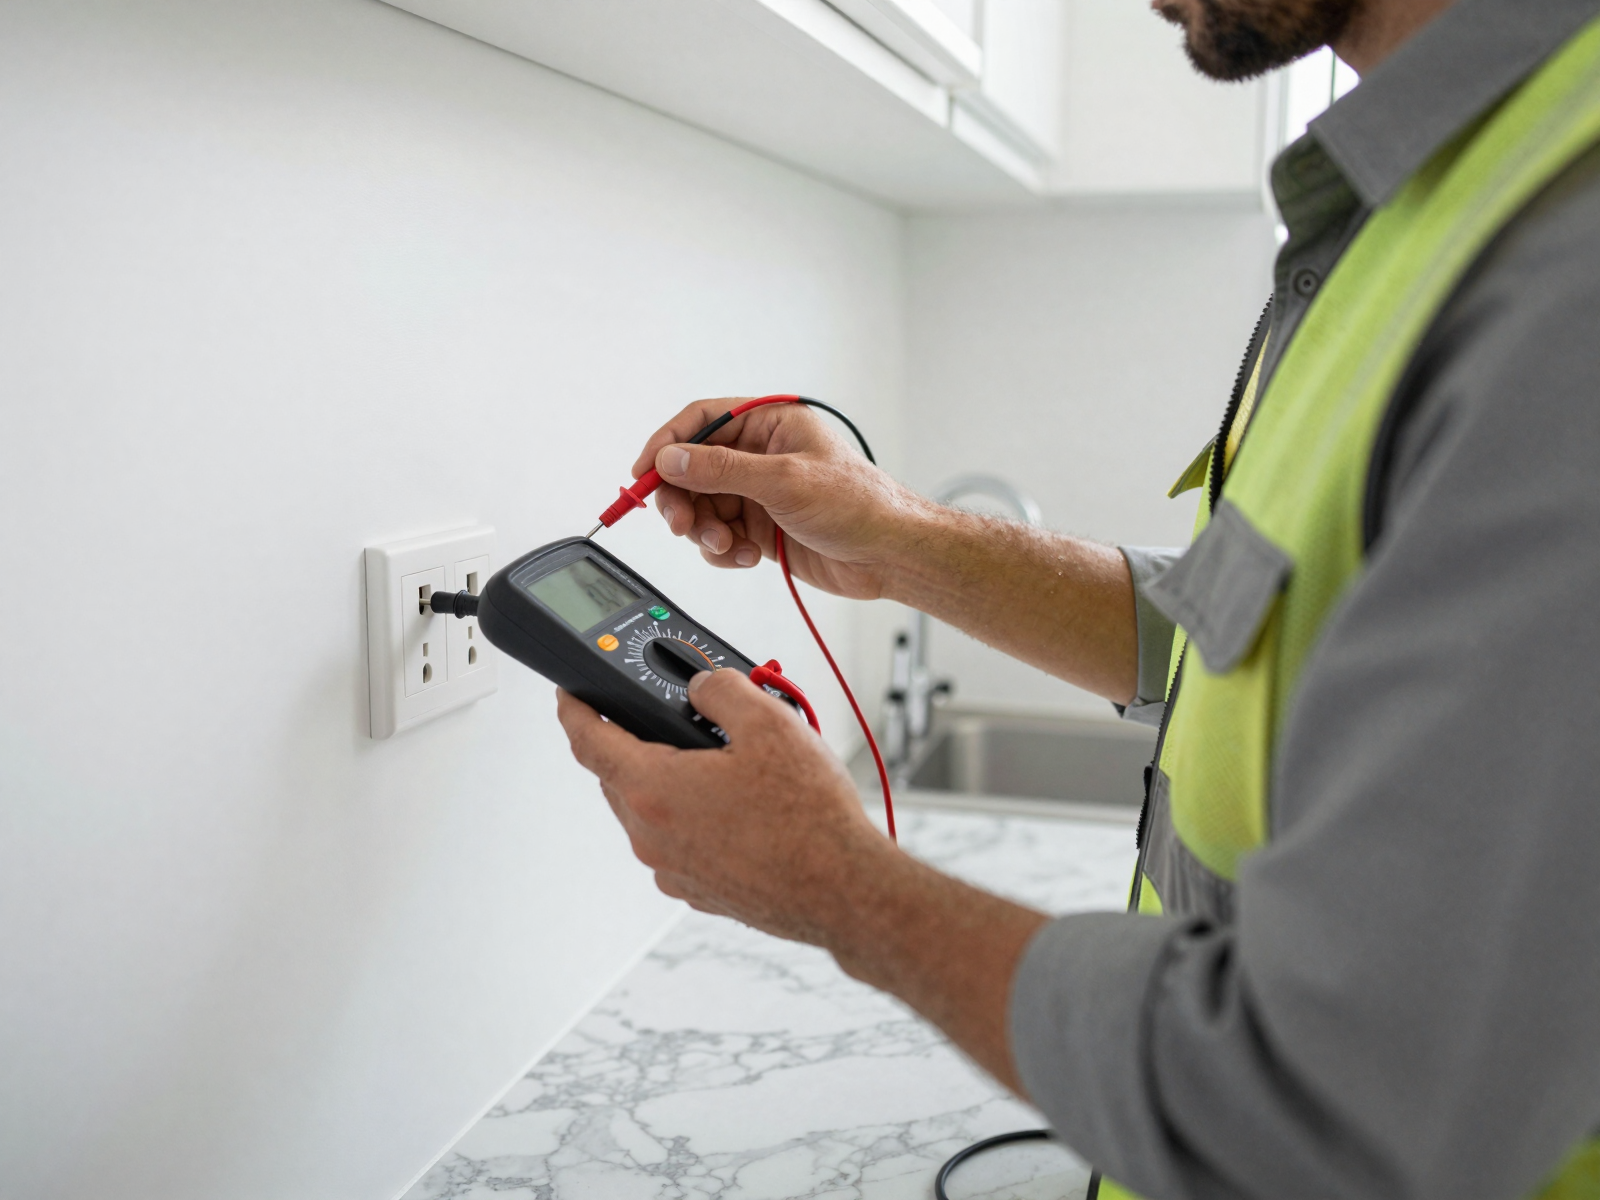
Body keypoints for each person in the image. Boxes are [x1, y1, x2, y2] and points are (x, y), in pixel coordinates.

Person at [556, 0, 1600, 1194]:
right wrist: (895, 541)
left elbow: (1342, 1111)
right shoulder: (1433, 194)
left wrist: (832, 882)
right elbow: (1250, 640)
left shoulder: (1565, 257)